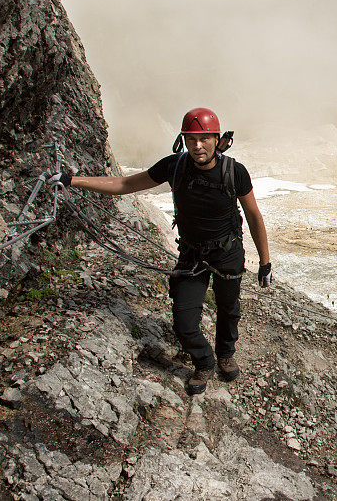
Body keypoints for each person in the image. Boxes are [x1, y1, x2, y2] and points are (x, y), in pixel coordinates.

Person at [48, 107, 272, 395]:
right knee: (183, 319)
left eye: (204, 139)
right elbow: (126, 184)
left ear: (217, 139)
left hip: (227, 252)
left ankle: (226, 353)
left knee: (228, 308)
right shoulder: (174, 166)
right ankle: (205, 360)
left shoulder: (234, 172)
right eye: (191, 139)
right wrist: (72, 181)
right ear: (184, 140)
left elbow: (254, 216)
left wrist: (264, 263)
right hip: (192, 255)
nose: (198, 146)